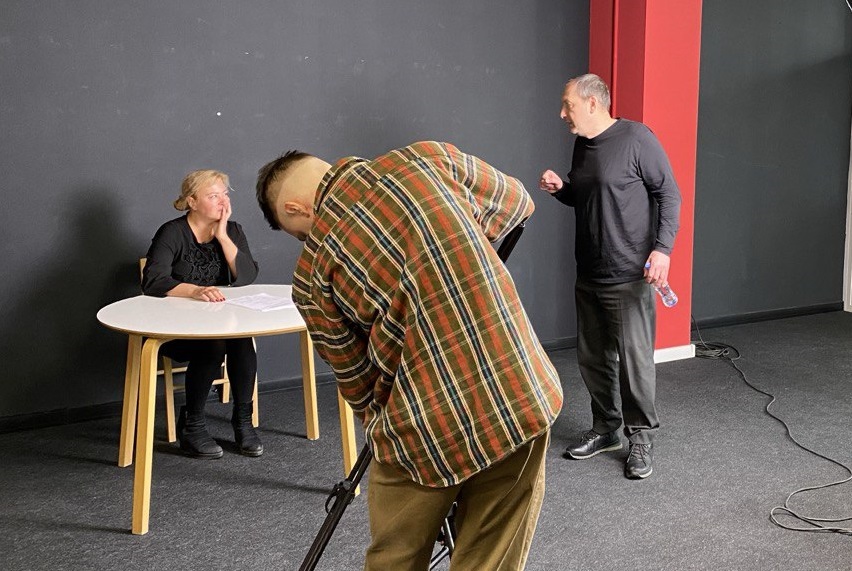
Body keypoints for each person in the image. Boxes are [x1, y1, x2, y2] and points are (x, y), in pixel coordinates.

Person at [256, 141, 563, 570]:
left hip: (420, 429)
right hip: (517, 391)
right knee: (491, 555)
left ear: (295, 208)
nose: (305, 242)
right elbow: (518, 204)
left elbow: (359, 386)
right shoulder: (426, 159)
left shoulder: (311, 277)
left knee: (395, 556)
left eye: (299, 235)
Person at [539, 73, 681, 480]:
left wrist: (662, 250)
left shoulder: (637, 139)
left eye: (568, 105)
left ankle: (641, 438)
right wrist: (561, 189)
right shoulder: (583, 144)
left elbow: (669, 194)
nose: (561, 113)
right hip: (590, 272)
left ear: (592, 103)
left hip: (629, 273)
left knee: (634, 364)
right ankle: (606, 429)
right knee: (593, 359)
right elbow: (586, 195)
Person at [142, 169, 263, 459]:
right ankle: (193, 425)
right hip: (175, 328)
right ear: (192, 201)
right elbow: (153, 281)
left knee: (240, 338)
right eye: (213, 195)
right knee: (213, 344)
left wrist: (222, 236)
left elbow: (247, 276)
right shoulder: (172, 232)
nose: (223, 201)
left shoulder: (233, 230)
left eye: (225, 194)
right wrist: (195, 290)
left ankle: (243, 421)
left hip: (218, 323)